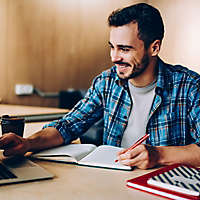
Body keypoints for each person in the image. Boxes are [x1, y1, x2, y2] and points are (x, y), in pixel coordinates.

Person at [1, 3, 200, 170]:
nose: (114, 57)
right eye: (112, 47)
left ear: (154, 47)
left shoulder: (189, 87)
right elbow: (68, 126)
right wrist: (27, 143)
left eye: (124, 49)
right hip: (110, 182)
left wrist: (158, 155)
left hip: (161, 186)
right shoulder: (106, 82)